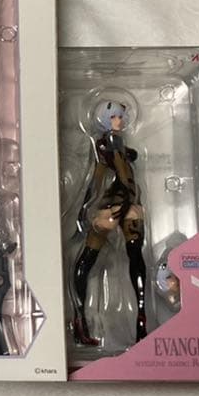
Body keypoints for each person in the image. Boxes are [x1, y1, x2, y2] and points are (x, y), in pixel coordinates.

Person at [72, 100, 146, 345]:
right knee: (89, 259)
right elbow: (97, 179)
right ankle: (80, 320)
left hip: (126, 205)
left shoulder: (117, 147)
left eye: (120, 117)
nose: (119, 120)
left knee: (134, 256)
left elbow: (114, 177)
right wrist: (86, 210)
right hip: (116, 206)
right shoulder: (106, 147)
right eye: (115, 117)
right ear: (105, 120)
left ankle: (141, 322)